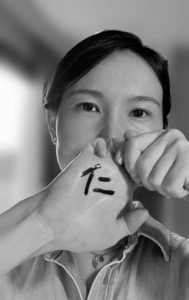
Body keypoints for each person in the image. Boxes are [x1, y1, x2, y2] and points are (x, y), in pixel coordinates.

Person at [0, 29, 189, 299]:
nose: (111, 134)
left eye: (138, 112)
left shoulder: (182, 265)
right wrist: (41, 225)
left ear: (163, 132)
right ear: (53, 124)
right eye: (88, 106)